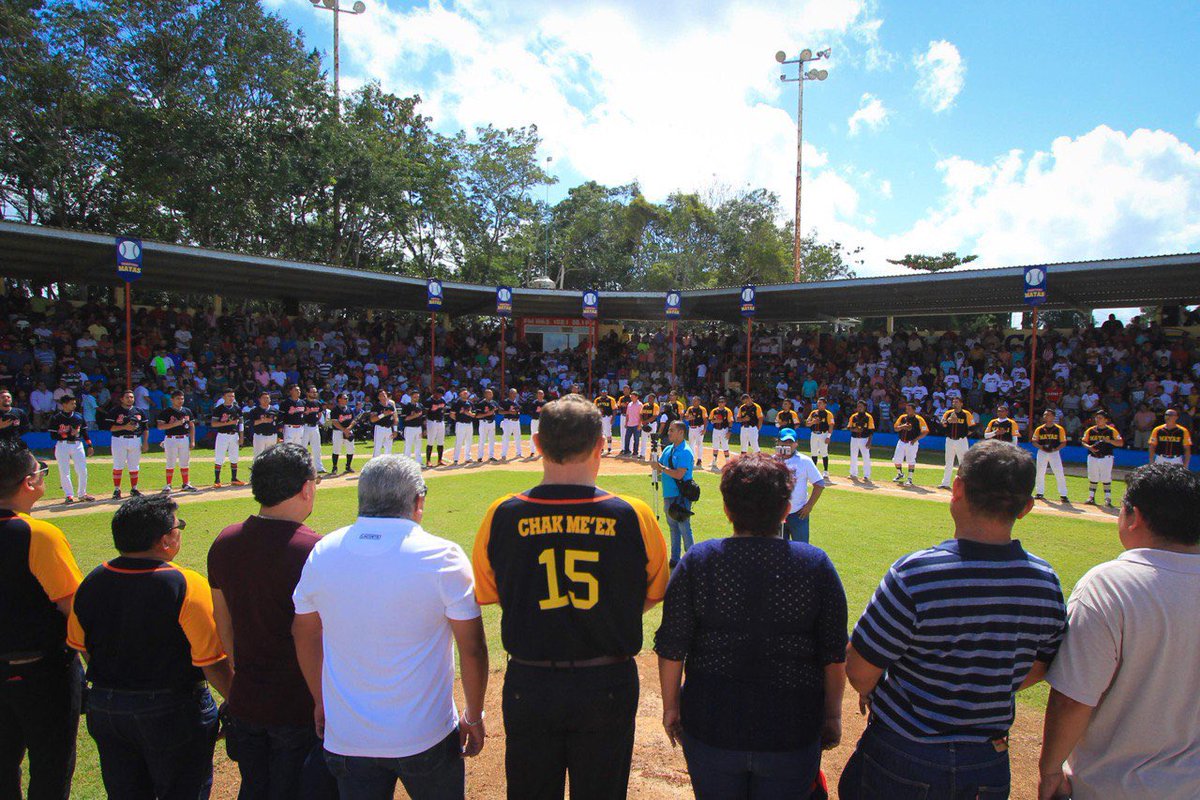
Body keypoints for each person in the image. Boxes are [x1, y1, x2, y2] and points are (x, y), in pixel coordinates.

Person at [840, 440, 1068, 799]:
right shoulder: (1044, 580)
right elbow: (1041, 665)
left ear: (957, 489)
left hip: (904, 748)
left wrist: (873, 691)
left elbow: (859, 668)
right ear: (1026, 507)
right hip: (987, 757)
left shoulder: (916, 573)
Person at [472, 394, 669, 800]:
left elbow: (487, 593)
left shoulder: (502, 513)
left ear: (538, 444)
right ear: (601, 445)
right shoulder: (633, 514)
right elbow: (655, 590)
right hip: (608, 679)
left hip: (530, 679)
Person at [293, 456, 488, 799]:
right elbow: (472, 647)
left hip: (349, 736)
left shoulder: (324, 552)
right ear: (418, 501)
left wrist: (320, 701)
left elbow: (304, 633)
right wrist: (473, 715)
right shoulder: (442, 556)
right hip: (424, 733)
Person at [655, 453, 847, 799]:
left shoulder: (698, 561)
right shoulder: (815, 565)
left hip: (712, 725)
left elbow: (672, 646)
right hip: (791, 728)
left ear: (728, 509)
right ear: (786, 509)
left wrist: (671, 708)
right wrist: (832, 715)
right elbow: (833, 652)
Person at [1038, 464, 1200, 800]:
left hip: (1112, 786)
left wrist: (1050, 770)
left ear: (1133, 516)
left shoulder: (1110, 584)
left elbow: (1073, 699)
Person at [68, 495, 232, 798]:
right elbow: (211, 661)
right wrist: (240, 701)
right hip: (172, 710)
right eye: (178, 526)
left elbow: (83, 646)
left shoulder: (91, 581)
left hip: (106, 707)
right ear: (165, 541)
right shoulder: (186, 583)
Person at [208, 443, 334, 800]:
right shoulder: (314, 550)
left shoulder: (224, 542)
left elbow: (224, 625)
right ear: (306, 488)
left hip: (247, 696)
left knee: (255, 787)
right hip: (299, 703)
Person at [0, 442, 83, 800]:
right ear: (28, 483)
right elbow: (73, 608)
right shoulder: (38, 534)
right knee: (51, 765)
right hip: (43, 671)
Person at [652, 420, 696, 567]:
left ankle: (691, 560)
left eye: (672, 430)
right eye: (669, 430)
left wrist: (661, 468)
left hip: (681, 495)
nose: (669, 432)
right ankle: (675, 558)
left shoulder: (685, 451)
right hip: (668, 494)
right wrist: (655, 463)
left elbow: (679, 474)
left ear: (681, 432)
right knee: (673, 527)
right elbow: (659, 467)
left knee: (684, 527)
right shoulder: (668, 449)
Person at [777, 429, 824, 543]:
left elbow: (819, 484)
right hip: (777, 515)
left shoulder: (804, 461)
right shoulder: (773, 460)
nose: (787, 445)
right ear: (778, 442)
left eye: (790, 442)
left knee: (802, 549)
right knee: (778, 551)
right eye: (784, 442)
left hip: (798, 514)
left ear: (796, 443)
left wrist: (809, 506)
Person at [101, 389, 149, 499]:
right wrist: (124, 427)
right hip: (119, 439)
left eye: (131, 397)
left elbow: (145, 429)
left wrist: (145, 442)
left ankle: (134, 489)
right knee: (118, 465)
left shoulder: (139, 411)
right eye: (127, 397)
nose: (130, 399)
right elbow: (110, 427)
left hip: (135, 439)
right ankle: (117, 489)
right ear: (122, 399)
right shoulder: (115, 411)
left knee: (134, 466)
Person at [49, 394, 93, 503]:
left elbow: (84, 432)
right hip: (62, 445)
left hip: (77, 444)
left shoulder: (78, 416)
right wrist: (68, 434)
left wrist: (90, 445)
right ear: (64, 404)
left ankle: (82, 494)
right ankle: (69, 495)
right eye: (71, 403)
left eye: (75, 403)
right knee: (64, 471)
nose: (74, 405)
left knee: (82, 470)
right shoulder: (56, 418)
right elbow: (53, 435)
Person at [158, 389, 198, 493]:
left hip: (184, 438)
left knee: (185, 462)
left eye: (182, 398)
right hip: (171, 438)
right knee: (170, 462)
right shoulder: (166, 412)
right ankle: (168, 485)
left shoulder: (187, 411)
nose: (180, 400)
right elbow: (160, 426)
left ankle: (186, 483)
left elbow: (191, 425)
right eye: (178, 398)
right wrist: (174, 424)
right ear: (172, 399)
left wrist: (192, 440)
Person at [1082, 410, 1123, 506]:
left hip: (1106, 457)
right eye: (1096, 418)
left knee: (1106, 477)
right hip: (1093, 456)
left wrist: (1109, 441)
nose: (1097, 420)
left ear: (1106, 420)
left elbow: (1120, 443)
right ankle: (1091, 497)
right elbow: (1083, 441)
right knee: (1093, 476)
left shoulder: (1111, 431)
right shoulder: (1091, 430)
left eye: (1100, 418)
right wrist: (1089, 447)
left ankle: (1107, 498)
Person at [1033, 409, 1070, 502]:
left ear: (1053, 417)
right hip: (1042, 452)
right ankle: (1039, 492)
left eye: (1048, 415)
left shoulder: (1059, 429)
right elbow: (1034, 441)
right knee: (1040, 472)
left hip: (1054, 453)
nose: (1046, 416)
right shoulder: (1039, 429)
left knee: (1059, 472)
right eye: (1045, 415)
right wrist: (1041, 447)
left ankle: (1063, 494)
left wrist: (1055, 449)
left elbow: (1063, 442)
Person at [937, 397, 975, 490]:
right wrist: (947, 421)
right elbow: (942, 424)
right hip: (949, 439)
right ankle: (945, 483)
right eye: (953, 402)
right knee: (948, 461)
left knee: (962, 462)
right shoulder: (948, 413)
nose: (954, 403)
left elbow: (972, 428)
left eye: (957, 402)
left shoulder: (966, 414)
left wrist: (963, 435)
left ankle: (964, 484)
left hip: (961, 440)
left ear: (961, 404)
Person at [211, 388, 245, 488]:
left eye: (233, 396)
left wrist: (242, 436)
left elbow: (241, 423)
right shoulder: (219, 409)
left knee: (234, 456)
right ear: (224, 397)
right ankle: (217, 480)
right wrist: (228, 422)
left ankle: (234, 478)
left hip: (234, 435)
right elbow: (213, 424)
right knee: (219, 457)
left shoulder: (237, 408)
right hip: (222, 435)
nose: (231, 398)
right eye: (229, 396)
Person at [891, 402, 928, 486]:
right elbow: (895, 428)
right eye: (907, 409)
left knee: (911, 460)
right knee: (896, 459)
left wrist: (916, 439)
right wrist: (902, 427)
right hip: (901, 441)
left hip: (911, 443)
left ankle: (910, 478)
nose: (908, 411)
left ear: (914, 410)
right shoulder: (902, 417)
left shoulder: (919, 419)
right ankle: (900, 474)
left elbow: (925, 431)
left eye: (910, 409)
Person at [806, 397, 835, 478]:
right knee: (813, 452)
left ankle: (825, 470)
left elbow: (831, 425)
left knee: (824, 452)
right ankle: (814, 469)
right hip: (814, 434)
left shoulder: (828, 414)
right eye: (818, 403)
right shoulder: (813, 413)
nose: (818, 404)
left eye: (821, 403)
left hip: (823, 434)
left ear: (825, 404)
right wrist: (813, 422)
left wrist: (828, 436)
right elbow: (807, 423)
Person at [329, 392, 358, 474]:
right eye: (345, 398)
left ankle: (348, 466)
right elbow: (334, 422)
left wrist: (348, 428)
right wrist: (343, 429)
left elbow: (353, 420)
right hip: (338, 431)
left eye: (347, 398)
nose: (346, 400)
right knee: (336, 449)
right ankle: (334, 467)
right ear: (339, 399)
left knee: (350, 449)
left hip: (348, 431)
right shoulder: (335, 410)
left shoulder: (349, 409)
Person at [846, 400, 874, 481]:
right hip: (854, 438)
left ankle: (866, 475)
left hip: (864, 439)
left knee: (866, 457)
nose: (859, 408)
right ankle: (853, 473)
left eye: (861, 406)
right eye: (858, 406)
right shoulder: (853, 416)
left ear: (865, 407)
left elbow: (871, 430)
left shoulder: (868, 417)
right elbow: (849, 427)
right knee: (853, 456)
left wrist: (869, 441)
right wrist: (854, 430)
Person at [301, 387, 326, 474]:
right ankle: (302, 467)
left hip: (314, 427)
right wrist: (305, 413)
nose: (314, 394)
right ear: (307, 393)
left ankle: (319, 467)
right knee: (303, 447)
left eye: (315, 392)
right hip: (305, 426)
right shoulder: (303, 402)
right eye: (312, 392)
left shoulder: (317, 403)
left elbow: (319, 414)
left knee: (317, 448)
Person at [248, 391, 280, 457]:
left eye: (267, 398)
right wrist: (262, 421)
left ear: (270, 399)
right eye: (263, 398)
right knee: (258, 456)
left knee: (271, 456)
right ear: (259, 400)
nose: (266, 400)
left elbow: (278, 424)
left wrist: (279, 436)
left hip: (272, 436)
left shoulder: (275, 410)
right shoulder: (254, 411)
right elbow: (250, 423)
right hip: (260, 436)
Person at [369, 389, 398, 459]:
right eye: (382, 395)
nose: (384, 396)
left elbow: (395, 418)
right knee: (377, 448)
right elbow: (372, 419)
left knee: (388, 448)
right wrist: (383, 415)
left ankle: (386, 465)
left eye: (385, 394)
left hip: (389, 428)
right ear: (379, 397)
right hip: (379, 428)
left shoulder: (391, 406)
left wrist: (395, 430)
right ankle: (374, 466)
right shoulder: (376, 406)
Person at [474, 388, 499, 463]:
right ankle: (480, 457)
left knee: (492, 440)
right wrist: (487, 414)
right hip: (484, 422)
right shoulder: (481, 403)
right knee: (482, 440)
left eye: (491, 393)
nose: (491, 395)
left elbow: (497, 408)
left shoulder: (494, 402)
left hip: (492, 423)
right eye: (489, 393)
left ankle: (491, 456)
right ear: (485, 395)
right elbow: (477, 416)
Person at [424, 388, 448, 466]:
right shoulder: (429, 401)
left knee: (441, 441)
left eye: (441, 395)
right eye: (439, 394)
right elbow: (426, 413)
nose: (440, 396)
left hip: (440, 422)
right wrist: (425, 425)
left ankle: (439, 460)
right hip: (432, 422)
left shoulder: (442, 400)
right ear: (435, 393)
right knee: (430, 441)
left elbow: (444, 409)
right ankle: (428, 460)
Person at [400, 393, 425, 465]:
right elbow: (405, 418)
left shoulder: (420, 405)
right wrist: (415, 415)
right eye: (414, 397)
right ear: (411, 397)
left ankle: (419, 462)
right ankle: (406, 463)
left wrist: (424, 429)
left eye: (417, 397)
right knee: (408, 445)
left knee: (418, 445)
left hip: (418, 428)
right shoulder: (407, 406)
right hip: (409, 428)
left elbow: (423, 418)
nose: (416, 398)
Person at [498, 388, 523, 460]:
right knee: (506, 438)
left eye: (515, 393)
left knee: (518, 438)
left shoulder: (517, 402)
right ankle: (503, 454)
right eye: (513, 393)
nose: (514, 395)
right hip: (508, 421)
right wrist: (509, 412)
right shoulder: (505, 402)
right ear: (509, 393)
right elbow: (500, 412)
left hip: (516, 422)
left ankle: (519, 453)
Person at [708, 397, 733, 470]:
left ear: (725, 403)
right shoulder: (714, 410)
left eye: (722, 402)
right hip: (716, 430)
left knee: (725, 446)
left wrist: (729, 431)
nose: (721, 404)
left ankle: (728, 462)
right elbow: (710, 420)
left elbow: (730, 422)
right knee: (715, 446)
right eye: (719, 402)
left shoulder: (727, 411)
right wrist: (715, 421)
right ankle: (714, 461)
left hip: (724, 430)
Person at [594, 391, 618, 455]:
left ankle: (609, 447)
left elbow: (614, 409)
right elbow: (594, 409)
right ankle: (601, 448)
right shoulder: (597, 400)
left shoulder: (611, 399)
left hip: (608, 417)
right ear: (600, 393)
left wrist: (613, 418)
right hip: (600, 417)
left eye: (605, 391)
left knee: (608, 432)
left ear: (607, 392)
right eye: (602, 392)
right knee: (600, 433)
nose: (604, 393)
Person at [685, 396, 708, 462]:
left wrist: (704, 429)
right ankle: (692, 458)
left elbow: (705, 419)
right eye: (693, 401)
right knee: (691, 443)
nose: (693, 402)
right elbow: (686, 418)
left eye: (695, 401)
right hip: (691, 428)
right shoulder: (690, 409)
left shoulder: (702, 409)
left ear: (699, 402)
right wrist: (689, 418)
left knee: (699, 443)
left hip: (699, 427)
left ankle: (699, 459)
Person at [525, 389, 546, 458]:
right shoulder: (534, 403)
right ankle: (532, 451)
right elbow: (530, 412)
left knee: (542, 435)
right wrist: (536, 412)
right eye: (539, 394)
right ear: (537, 395)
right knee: (533, 435)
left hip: (542, 421)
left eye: (541, 394)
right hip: (535, 420)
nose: (540, 395)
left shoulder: (545, 403)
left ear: (543, 395)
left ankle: (542, 451)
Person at [622, 391, 643, 457]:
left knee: (636, 439)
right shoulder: (629, 404)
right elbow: (627, 414)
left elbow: (641, 415)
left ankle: (635, 452)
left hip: (636, 424)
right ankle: (626, 450)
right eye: (631, 396)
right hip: (629, 424)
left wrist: (640, 424)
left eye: (633, 396)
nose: (631, 398)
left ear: (636, 397)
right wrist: (626, 422)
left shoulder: (640, 405)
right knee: (627, 438)